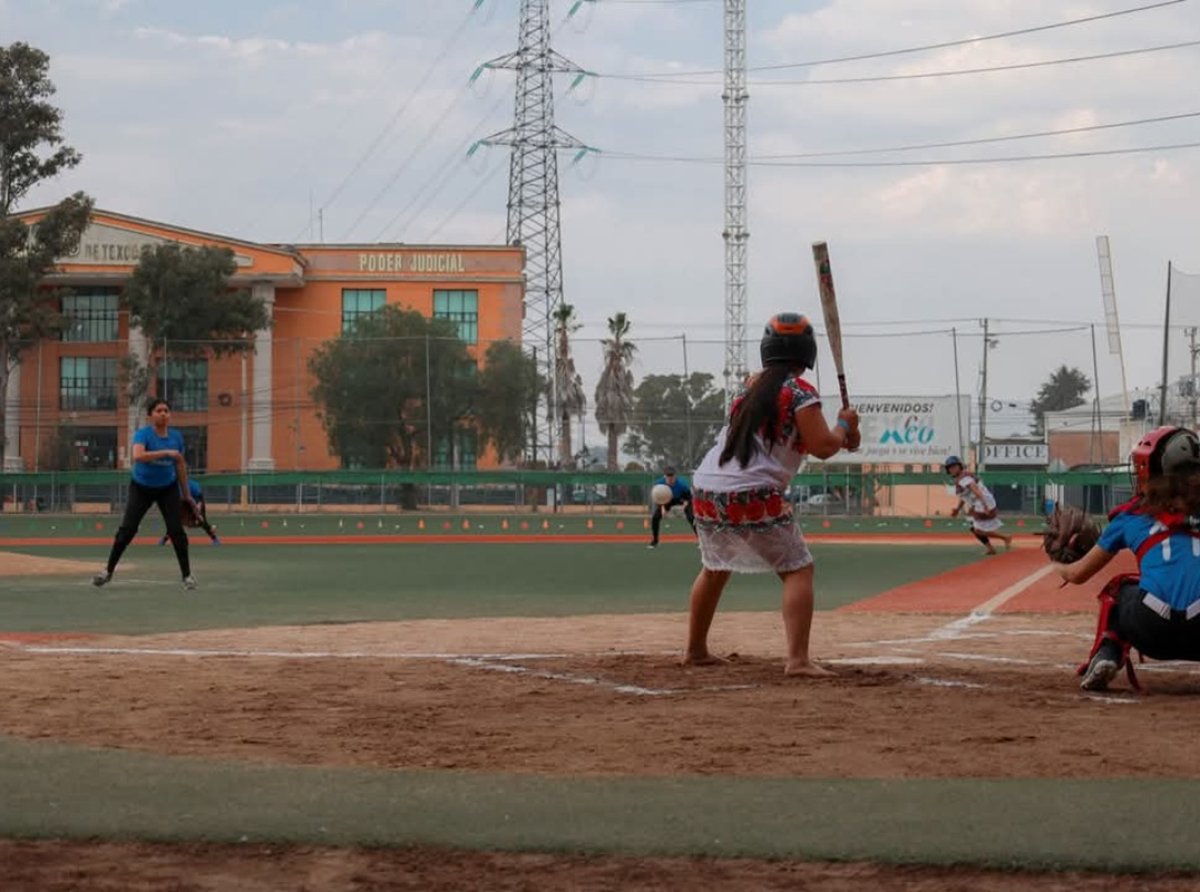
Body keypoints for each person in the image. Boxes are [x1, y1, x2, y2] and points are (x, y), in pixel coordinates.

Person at [683, 312, 860, 677]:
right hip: (753, 491)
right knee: (798, 569)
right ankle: (798, 660)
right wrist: (844, 426)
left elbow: (809, 442)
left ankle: (695, 650)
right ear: (806, 352)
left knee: (715, 568)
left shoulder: (750, 388)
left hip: (706, 488)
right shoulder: (800, 392)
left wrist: (845, 433)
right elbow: (823, 446)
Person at [1056, 426, 1200, 692]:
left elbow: (1078, 575)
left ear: (1152, 470)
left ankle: (1108, 654)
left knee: (1119, 589)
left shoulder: (1131, 516)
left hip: (1151, 629)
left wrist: (1059, 565)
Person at [92, 398, 199, 590]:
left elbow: (180, 465)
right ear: (150, 416)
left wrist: (187, 494)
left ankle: (187, 576)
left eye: (166, 410)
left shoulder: (176, 437)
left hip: (167, 488)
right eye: (159, 411)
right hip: (141, 487)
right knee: (127, 530)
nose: (164, 414)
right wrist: (166, 452)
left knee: (176, 531)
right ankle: (107, 571)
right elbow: (138, 456)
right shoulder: (143, 435)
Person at [945, 456, 1013, 554]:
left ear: (960, 467)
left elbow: (976, 491)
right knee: (973, 528)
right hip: (981, 502)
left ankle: (1005, 537)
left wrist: (984, 505)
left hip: (982, 502)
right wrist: (958, 509)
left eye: (954, 466)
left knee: (978, 530)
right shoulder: (961, 479)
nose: (952, 469)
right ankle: (991, 548)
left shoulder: (965, 479)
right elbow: (965, 497)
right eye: (950, 468)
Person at [159, 478, 220, 546]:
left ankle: (214, 538)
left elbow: (198, 500)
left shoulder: (191, 486)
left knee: (201, 520)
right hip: (184, 500)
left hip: (196, 498)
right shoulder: (174, 487)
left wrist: (198, 513)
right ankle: (165, 539)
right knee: (175, 521)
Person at [647, 466, 696, 548]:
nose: (670, 478)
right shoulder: (659, 484)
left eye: (672, 476)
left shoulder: (682, 485)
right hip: (667, 500)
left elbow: (688, 498)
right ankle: (655, 541)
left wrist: (685, 506)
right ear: (664, 476)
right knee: (655, 517)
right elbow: (657, 497)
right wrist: (662, 507)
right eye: (668, 476)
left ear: (675, 476)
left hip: (681, 498)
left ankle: (701, 540)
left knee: (691, 517)